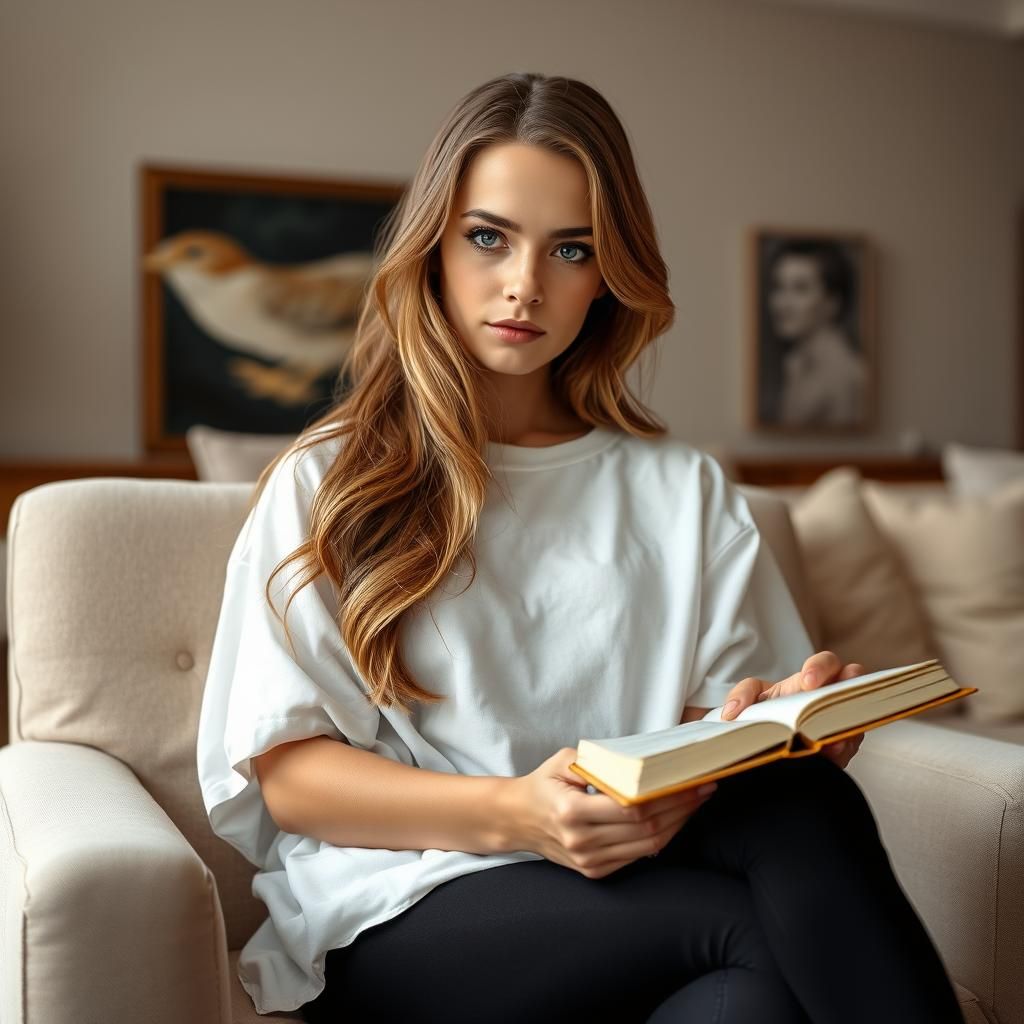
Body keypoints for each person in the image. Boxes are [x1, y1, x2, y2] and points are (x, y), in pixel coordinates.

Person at [195, 72, 963, 1023]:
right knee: (756, 932)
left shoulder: (681, 489)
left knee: (793, 841)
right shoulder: (332, 477)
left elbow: (711, 740)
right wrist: (520, 811)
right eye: (488, 237)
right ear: (433, 246)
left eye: (571, 249)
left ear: (610, 274)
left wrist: (791, 728)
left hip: (630, 885)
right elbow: (293, 780)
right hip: (403, 904)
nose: (525, 284)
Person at [765, 240, 868, 428]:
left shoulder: (845, 374)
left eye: (800, 289)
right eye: (779, 287)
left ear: (832, 302)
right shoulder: (797, 364)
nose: (782, 303)